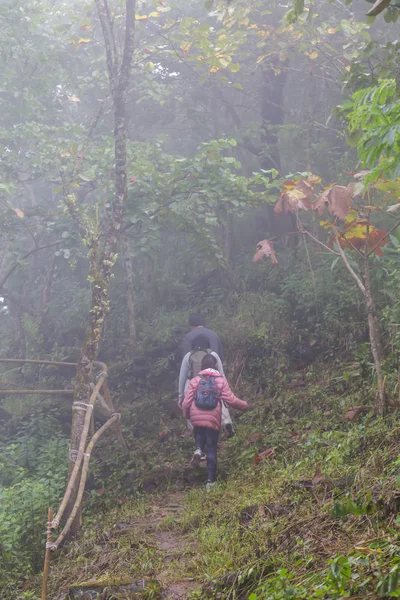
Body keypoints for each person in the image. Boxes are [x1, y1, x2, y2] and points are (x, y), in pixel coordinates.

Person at [181, 353, 248, 491]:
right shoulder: (220, 381)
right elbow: (231, 400)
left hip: (196, 416)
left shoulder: (195, 380)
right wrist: (245, 406)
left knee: (199, 433)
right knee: (211, 447)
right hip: (213, 417)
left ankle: (199, 449)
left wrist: (187, 415)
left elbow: (186, 402)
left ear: (202, 366)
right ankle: (210, 482)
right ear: (216, 365)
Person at [178, 334, 234, 437]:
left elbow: (182, 377)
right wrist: (227, 391)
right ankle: (226, 422)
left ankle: (194, 429)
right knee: (220, 401)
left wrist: (181, 396)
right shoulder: (213, 354)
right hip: (213, 384)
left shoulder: (188, 356)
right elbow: (221, 374)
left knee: (191, 406)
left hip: (193, 385)